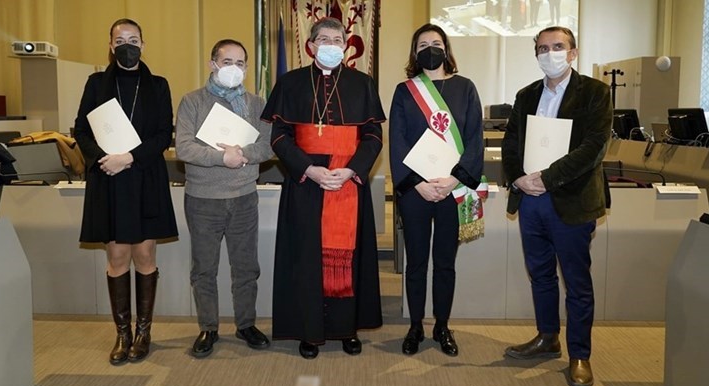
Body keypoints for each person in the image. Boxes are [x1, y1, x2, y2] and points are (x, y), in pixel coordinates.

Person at [261, 17, 385, 360]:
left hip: (348, 184)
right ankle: (309, 331)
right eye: (324, 39)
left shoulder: (363, 84)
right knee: (307, 259)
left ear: (346, 46)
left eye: (338, 39)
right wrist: (310, 170)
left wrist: (351, 171)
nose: (332, 45)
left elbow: (373, 136)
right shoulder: (290, 83)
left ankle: (347, 330)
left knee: (350, 257)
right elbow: (279, 137)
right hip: (307, 185)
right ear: (311, 46)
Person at [501, 26, 611, 386]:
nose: (550, 53)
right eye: (543, 48)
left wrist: (546, 178)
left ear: (573, 52)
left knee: (577, 283)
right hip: (530, 202)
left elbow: (593, 147)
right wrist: (518, 178)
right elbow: (511, 143)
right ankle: (547, 336)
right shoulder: (526, 94)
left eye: (558, 47)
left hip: (572, 200)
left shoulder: (595, 93)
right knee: (541, 276)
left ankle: (580, 355)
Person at [73, 18, 178, 365]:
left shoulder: (159, 85)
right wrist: (105, 159)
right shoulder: (95, 84)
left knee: (145, 257)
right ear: (111, 44)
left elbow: (165, 134)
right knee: (117, 258)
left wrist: (128, 157)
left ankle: (144, 332)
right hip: (109, 180)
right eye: (121, 40)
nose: (127, 45)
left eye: (134, 39)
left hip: (145, 178)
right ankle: (123, 334)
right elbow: (81, 130)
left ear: (144, 45)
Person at [389, 24, 484, 357]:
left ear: (447, 48)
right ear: (415, 53)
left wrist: (454, 180)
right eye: (423, 44)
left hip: (452, 191)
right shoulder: (405, 91)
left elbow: (475, 139)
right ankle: (415, 326)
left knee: (445, 263)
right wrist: (418, 184)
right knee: (416, 262)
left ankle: (442, 326)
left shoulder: (466, 88)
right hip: (416, 192)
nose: (430, 48)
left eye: (436, 43)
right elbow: (397, 141)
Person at [175, 39, 273, 358]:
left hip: (244, 197)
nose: (234, 68)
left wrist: (242, 153)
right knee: (205, 268)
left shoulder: (257, 104)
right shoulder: (192, 102)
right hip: (203, 198)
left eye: (240, 63)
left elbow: (269, 146)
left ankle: (246, 324)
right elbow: (184, 148)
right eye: (226, 61)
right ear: (212, 64)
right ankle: (209, 327)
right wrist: (222, 157)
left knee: (246, 267)